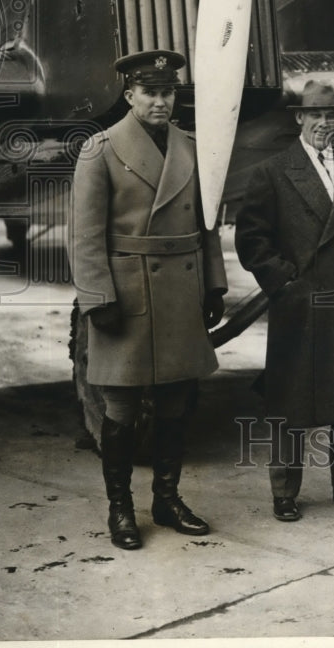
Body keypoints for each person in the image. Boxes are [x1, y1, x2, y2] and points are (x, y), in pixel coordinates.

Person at [69, 50, 227, 550]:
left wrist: (214, 284)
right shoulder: (101, 150)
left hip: (180, 290)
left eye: (168, 92)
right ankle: (121, 509)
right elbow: (86, 236)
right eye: (150, 92)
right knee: (120, 409)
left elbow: (207, 226)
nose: (160, 101)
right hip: (127, 294)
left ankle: (167, 499)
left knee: (177, 404)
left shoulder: (194, 148)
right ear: (130, 95)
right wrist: (97, 297)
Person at [235, 79, 334, 522]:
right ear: (299, 118)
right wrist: (284, 284)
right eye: (315, 115)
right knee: (290, 403)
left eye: (331, 115)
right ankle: (284, 492)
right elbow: (252, 239)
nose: (324, 123)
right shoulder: (273, 172)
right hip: (299, 305)